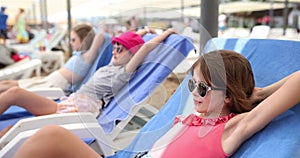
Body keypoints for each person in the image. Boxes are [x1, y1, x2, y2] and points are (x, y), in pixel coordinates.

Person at [12, 50, 300, 158]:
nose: (194, 93)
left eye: (202, 87)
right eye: (192, 84)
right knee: (49, 136)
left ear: (227, 95)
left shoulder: (232, 128)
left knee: (49, 136)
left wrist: (259, 95)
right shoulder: (198, 116)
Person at [0, 28, 173, 133]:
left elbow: (145, 47)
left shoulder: (123, 72)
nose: (115, 52)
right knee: (14, 96)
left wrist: (166, 33)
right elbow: (129, 41)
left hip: (79, 109)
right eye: (114, 48)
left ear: (132, 53)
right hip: (70, 102)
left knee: (15, 115)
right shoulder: (115, 63)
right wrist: (144, 31)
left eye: (120, 49)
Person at [0, 23, 97, 94]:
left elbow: (101, 37)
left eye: (73, 40)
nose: (71, 43)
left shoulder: (87, 57)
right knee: (10, 83)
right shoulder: (80, 55)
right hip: (49, 80)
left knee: (11, 87)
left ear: (84, 40)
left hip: (53, 86)